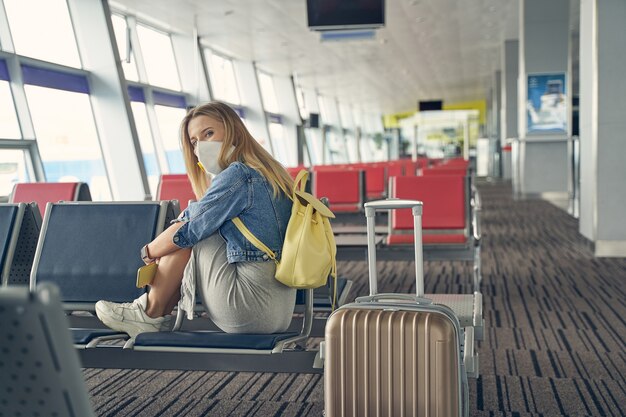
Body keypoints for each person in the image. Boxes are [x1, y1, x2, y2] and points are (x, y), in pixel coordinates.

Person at [95, 101, 296, 337]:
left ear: (233, 130)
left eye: (209, 133)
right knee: (193, 224)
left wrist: (148, 252)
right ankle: (153, 312)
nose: (201, 146)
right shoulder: (270, 171)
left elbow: (188, 231)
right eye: (194, 142)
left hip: (248, 308)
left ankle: (150, 312)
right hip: (280, 308)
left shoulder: (239, 174)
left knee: (188, 230)